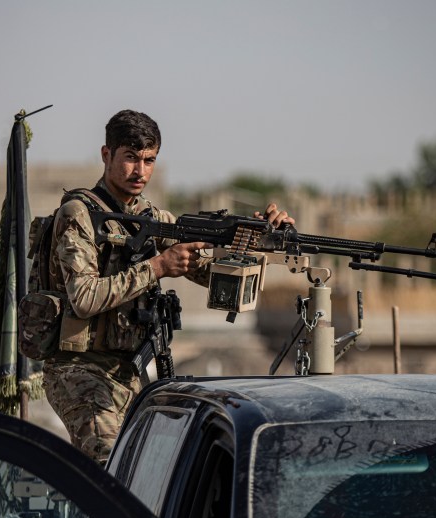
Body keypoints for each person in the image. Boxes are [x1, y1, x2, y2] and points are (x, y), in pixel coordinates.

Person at [41, 109, 293, 464]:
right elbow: (83, 298)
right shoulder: (78, 214)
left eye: (149, 160)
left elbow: (211, 274)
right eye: (130, 158)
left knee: (159, 468)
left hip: (128, 372)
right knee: (111, 465)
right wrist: (158, 266)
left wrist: (255, 239)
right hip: (78, 369)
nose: (140, 170)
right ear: (106, 155)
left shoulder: (151, 218)